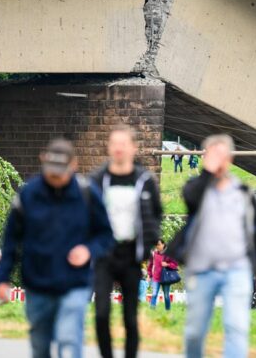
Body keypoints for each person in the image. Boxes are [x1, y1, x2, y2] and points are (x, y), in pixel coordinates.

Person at [0, 138, 115, 358]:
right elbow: (11, 240)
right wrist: (2, 278)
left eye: (61, 172)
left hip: (75, 283)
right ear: (43, 160)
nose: (56, 178)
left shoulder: (87, 194)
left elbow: (106, 235)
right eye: (51, 172)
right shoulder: (28, 195)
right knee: (40, 347)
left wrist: (89, 250)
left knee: (69, 340)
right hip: (37, 284)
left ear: (74, 165)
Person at [167, 134, 256, 358]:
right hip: (202, 268)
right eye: (213, 155)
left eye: (222, 155)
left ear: (230, 159)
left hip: (237, 268)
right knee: (195, 331)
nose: (219, 161)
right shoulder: (196, 187)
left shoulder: (243, 193)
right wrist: (207, 173)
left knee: (236, 327)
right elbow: (190, 200)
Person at [92, 125, 163, 358]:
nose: (119, 148)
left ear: (134, 147)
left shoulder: (144, 180)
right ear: (109, 147)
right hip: (104, 253)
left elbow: (155, 214)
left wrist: (148, 244)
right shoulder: (98, 179)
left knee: (130, 317)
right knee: (101, 312)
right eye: (115, 143)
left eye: (124, 143)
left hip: (131, 253)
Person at [148, 239, 177, 310]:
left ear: (163, 244)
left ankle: (168, 311)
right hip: (156, 278)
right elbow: (150, 265)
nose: (157, 246)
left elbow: (175, 265)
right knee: (154, 294)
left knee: (166, 295)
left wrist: (167, 264)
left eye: (159, 244)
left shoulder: (169, 254)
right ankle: (152, 310)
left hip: (165, 277)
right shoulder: (154, 254)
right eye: (156, 245)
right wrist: (149, 275)